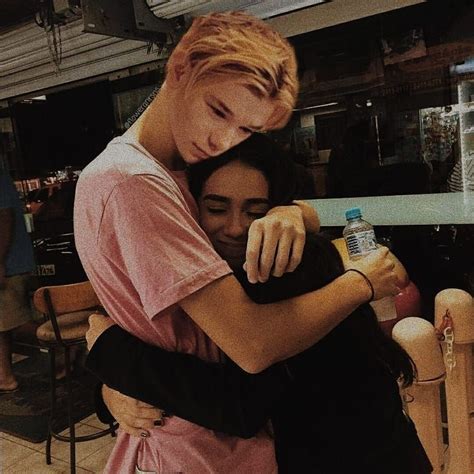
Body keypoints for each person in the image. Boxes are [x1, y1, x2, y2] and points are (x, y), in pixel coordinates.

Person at [74, 11, 399, 473]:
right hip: (199, 443)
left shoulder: (178, 172)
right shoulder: (133, 182)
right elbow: (251, 345)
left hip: (247, 434)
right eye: (218, 110)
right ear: (180, 68)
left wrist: (293, 213)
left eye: (245, 129)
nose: (221, 139)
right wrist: (362, 282)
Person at [85, 135, 432, 473]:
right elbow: (176, 348)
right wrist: (110, 392)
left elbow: (239, 402)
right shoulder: (209, 278)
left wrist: (109, 350)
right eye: (216, 208)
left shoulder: (289, 266)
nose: (236, 228)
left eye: (256, 212)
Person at [0, 161, 35, 392]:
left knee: (13, 322)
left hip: (9, 263)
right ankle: (4, 376)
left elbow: (4, 218)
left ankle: (64, 345)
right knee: (4, 322)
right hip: (11, 261)